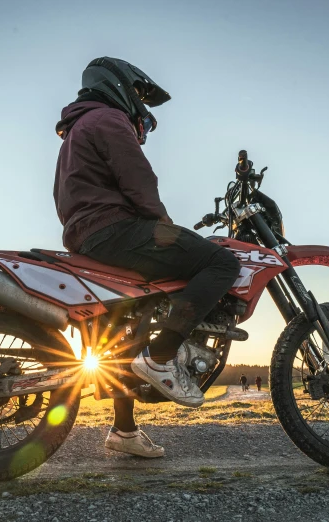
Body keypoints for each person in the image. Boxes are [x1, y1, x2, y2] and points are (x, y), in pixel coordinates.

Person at [54, 57, 241, 458]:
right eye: (139, 95)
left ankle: (123, 431)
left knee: (125, 327)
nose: (141, 106)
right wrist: (162, 221)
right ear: (118, 85)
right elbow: (138, 178)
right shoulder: (106, 117)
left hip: (86, 235)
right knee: (222, 263)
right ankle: (162, 357)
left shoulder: (78, 128)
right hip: (113, 229)